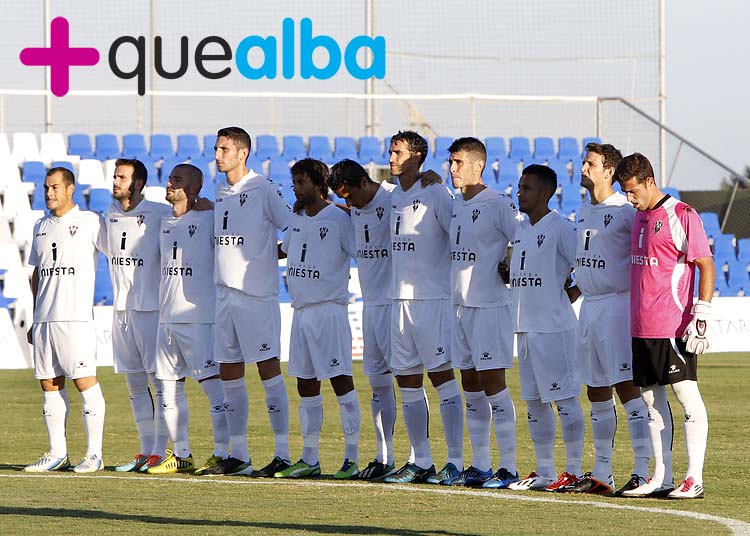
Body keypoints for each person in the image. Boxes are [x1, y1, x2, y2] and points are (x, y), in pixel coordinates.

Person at [615, 153, 714, 499]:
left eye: (632, 191)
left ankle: (695, 478)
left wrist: (701, 314)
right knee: (651, 403)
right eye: (625, 193)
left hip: (672, 325)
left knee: (686, 395)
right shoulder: (638, 217)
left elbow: (705, 264)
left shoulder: (681, 214)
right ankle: (662, 476)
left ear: (648, 181)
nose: (630, 199)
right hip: (641, 326)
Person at [558, 143, 652, 495]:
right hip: (590, 307)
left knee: (628, 389)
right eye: (584, 162)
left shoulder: (626, 211)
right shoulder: (583, 210)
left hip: (617, 306)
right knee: (596, 390)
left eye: (590, 163)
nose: (583, 168)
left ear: (609, 171)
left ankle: (643, 470)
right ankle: (602, 474)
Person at [205, 127, 292, 476]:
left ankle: (283, 453)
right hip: (223, 295)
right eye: (216, 148)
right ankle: (238, 454)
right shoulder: (221, 188)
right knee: (229, 371)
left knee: (268, 369)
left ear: (243, 153)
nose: (217, 155)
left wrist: (269, 256)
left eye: (224, 149)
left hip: (256, 296)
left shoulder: (264, 188)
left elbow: (294, 228)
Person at [382, 131, 464, 485]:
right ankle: (422, 460)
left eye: (397, 152)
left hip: (432, 300)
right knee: (407, 381)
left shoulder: (436, 194)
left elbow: (457, 237)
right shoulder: (392, 197)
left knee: (442, 378)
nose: (391, 158)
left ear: (416, 156)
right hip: (398, 301)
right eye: (390, 151)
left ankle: (456, 462)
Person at [274, 158, 361, 480]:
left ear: (316, 182)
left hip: (329, 311)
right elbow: (287, 250)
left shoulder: (340, 218)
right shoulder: (296, 218)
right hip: (301, 313)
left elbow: (361, 251)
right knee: (306, 386)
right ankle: (309, 457)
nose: (295, 188)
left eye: (299, 182)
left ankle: (351, 458)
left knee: (341, 383)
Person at [443, 138, 521, 488]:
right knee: (470, 386)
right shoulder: (456, 204)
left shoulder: (498, 204)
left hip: (490, 308)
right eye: (451, 162)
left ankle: (508, 467)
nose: (453, 168)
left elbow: (524, 238)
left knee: (494, 386)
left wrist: (508, 264)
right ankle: (480, 464)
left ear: (478, 165)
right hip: (460, 307)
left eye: (459, 162)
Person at [507, 164, 585, 492]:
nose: (519, 193)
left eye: (526, 188)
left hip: (555, 328)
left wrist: (569, 295)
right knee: (535, 403)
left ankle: (574, 470)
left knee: (565, 400)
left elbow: (584, 266)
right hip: (524, 328)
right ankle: (545, 470)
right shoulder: (521, 229)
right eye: (519, 187)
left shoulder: (561, 228)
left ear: (545, 193)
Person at [147, 164, 229, 475]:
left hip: (199, 318)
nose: (169, 183)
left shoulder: (208, 218)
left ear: (193, 188)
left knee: (213, 389)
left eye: (176, 180)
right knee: (168, 388)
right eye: (169, 178)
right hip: (166, 320)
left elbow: (231, 216)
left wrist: (210, 203)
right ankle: (181, 453)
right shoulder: (164, 220)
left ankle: (223, 452)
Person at [24, 167, 107, 473]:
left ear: (70, 189)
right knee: (49, 383)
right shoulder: (40, 226)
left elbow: (116, 253)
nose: (49, 193)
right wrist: (35, 317)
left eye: (55, 187)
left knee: (84, 382)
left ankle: (94, 454)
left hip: (75, 319)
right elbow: (37, 272)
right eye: (46, 187)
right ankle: (57, 452)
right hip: (45, 318)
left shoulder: (89, 222)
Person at [106, 158, 171, 473]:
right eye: (115, 176)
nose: (115, 181)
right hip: (121, 311)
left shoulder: (159, 214)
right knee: (134, 384)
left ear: (139, 183)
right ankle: (145, 451)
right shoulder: (109, 213)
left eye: (121, 177)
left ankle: (162, 450)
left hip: (152, 309)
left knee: (159, 384)